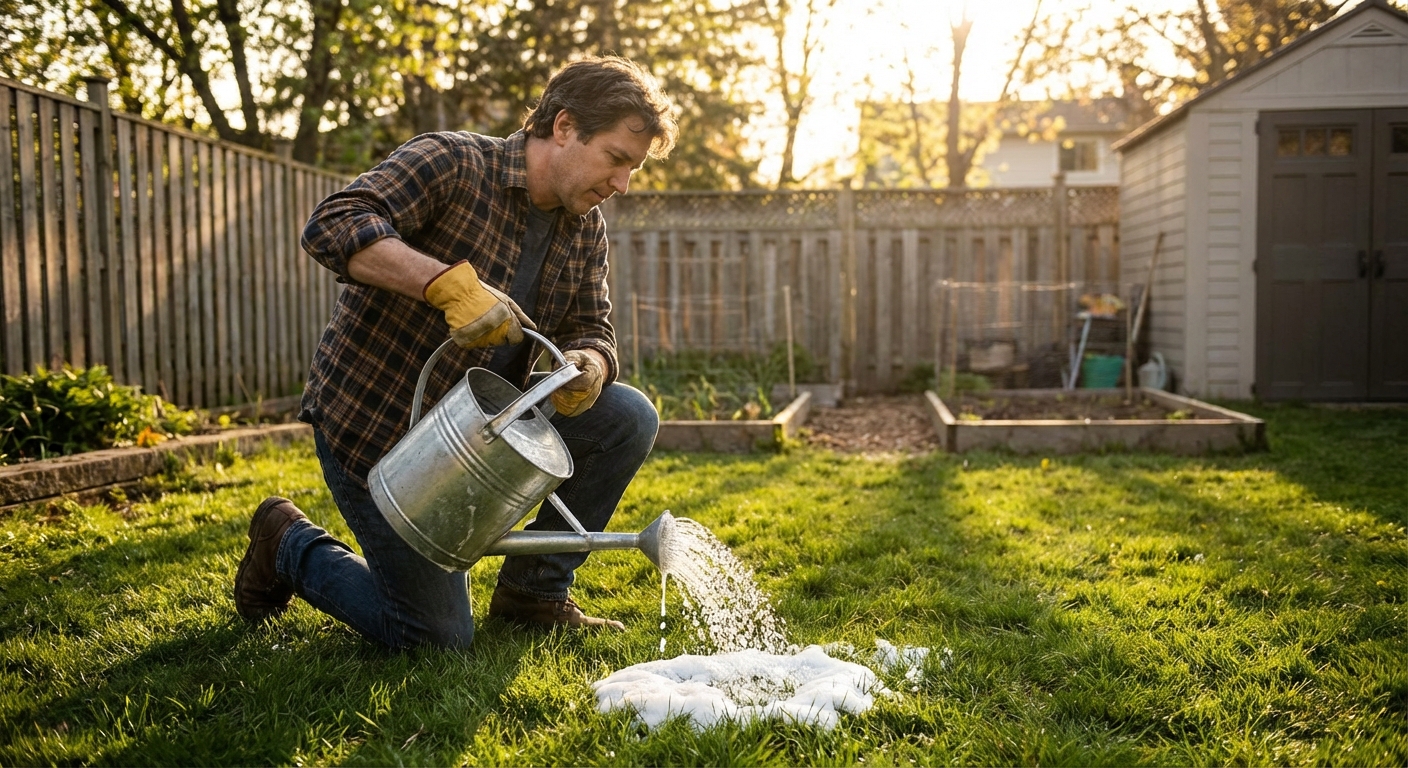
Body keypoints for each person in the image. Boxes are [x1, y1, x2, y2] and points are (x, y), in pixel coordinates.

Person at [231, 56, 678, 650]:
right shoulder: (453, 162)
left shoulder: (584, 226)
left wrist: (588, 364)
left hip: (483, 435)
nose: (622, 183)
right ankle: (289, 542)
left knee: (627, 415)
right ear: (565, 127)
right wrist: (443, 283)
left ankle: (534, 595)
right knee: (433, 639)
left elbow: (592, 326)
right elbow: (334, 223)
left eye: (633, 169)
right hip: (382, 432)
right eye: (617, 160)